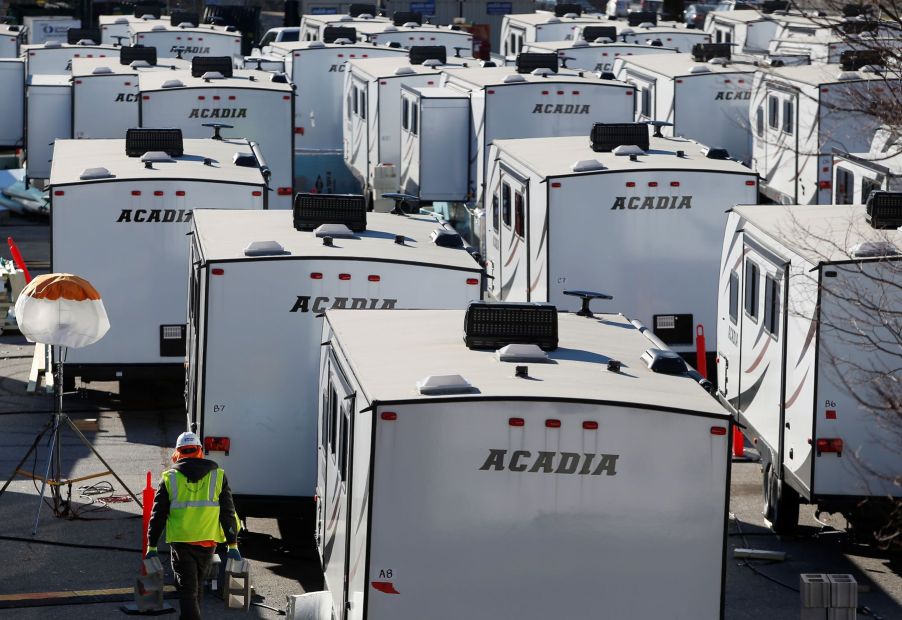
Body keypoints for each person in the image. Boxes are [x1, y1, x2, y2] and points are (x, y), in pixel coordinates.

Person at [146, 431, 240, 620]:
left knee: (187, 589)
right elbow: (228, 513)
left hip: (181, 542)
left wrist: (152, 544)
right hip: (207, 541)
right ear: (199, 451)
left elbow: (158, 515)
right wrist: (232, 544)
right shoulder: (218, 476)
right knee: (195, 586)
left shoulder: (169, 478)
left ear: (178, 452)